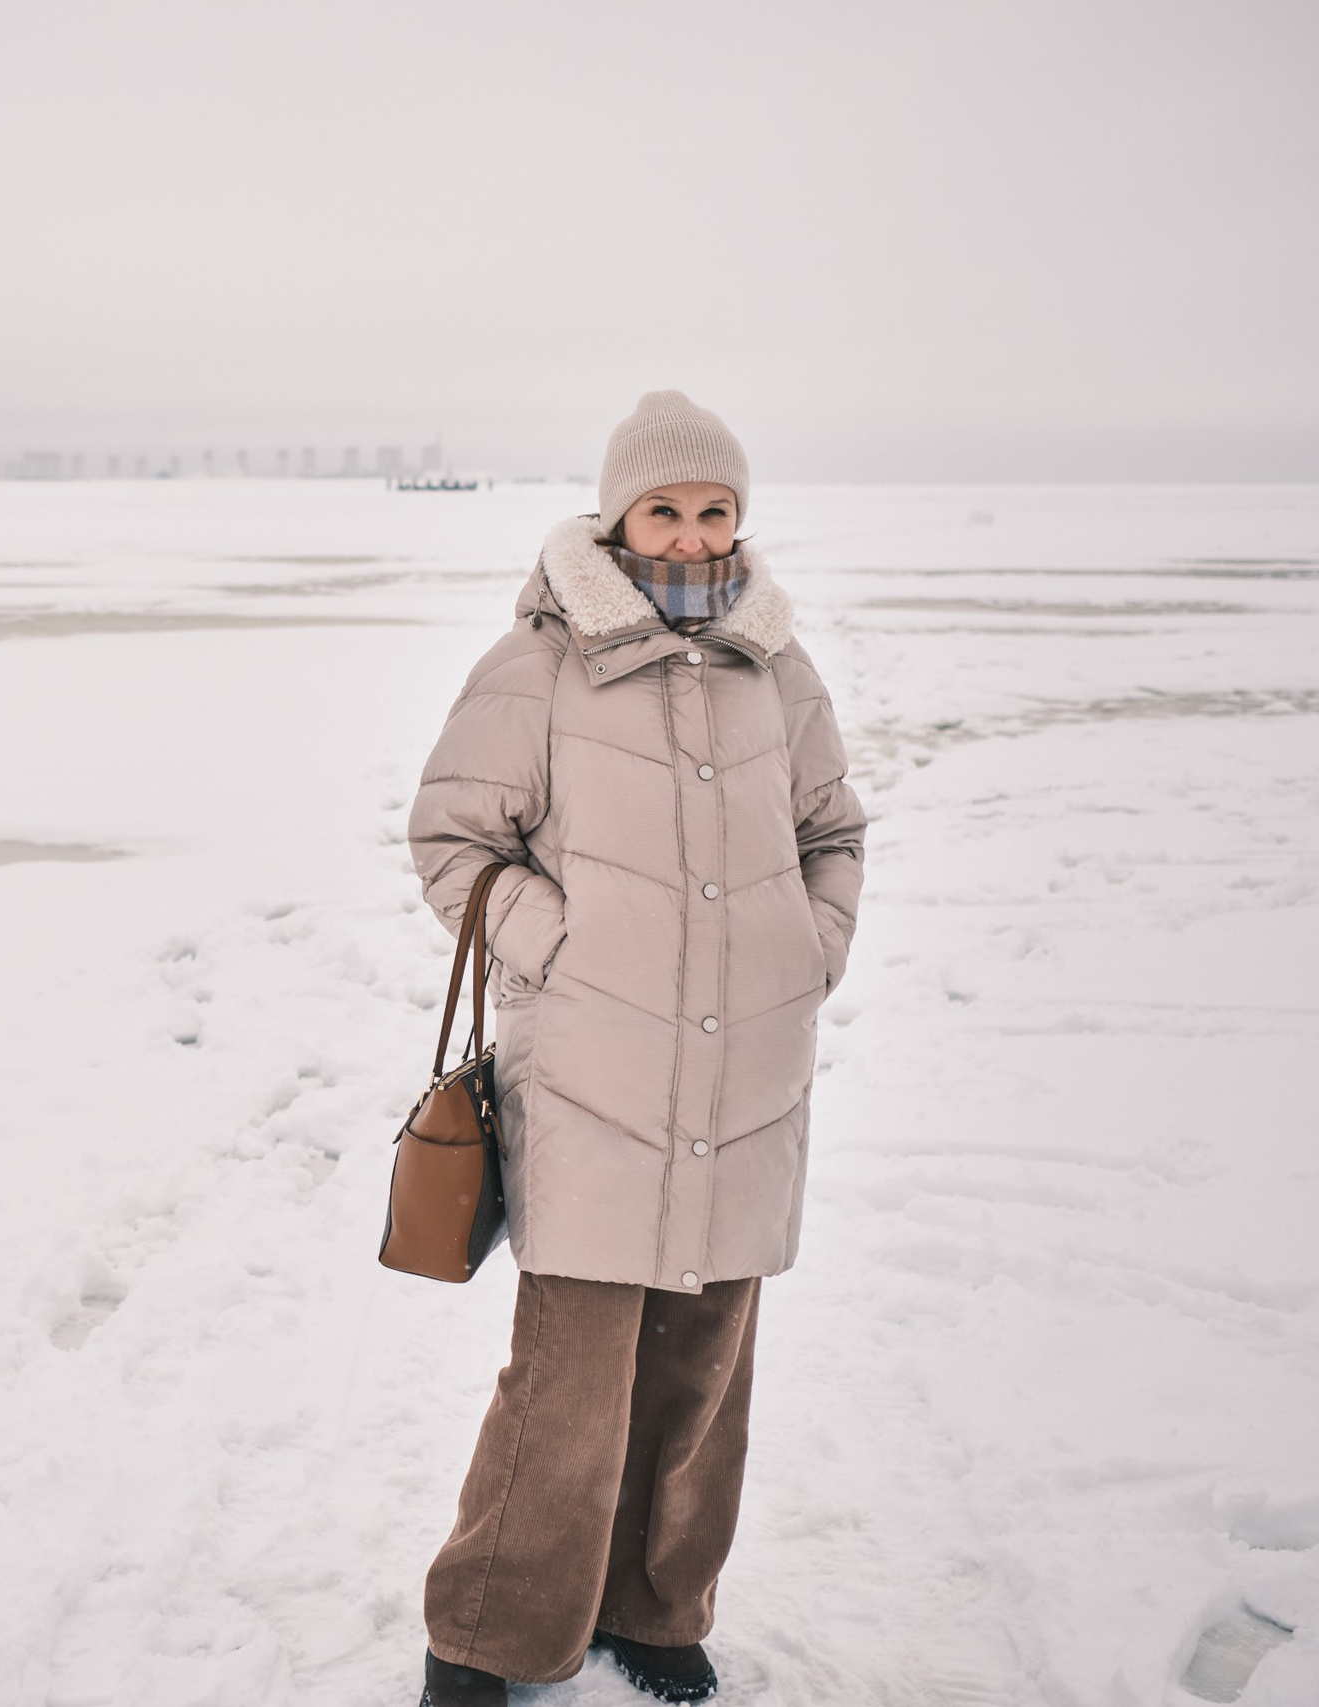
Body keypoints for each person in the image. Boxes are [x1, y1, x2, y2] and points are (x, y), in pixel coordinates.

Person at [405, 391, 866, 1704]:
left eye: (714, 509)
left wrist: (809, 948)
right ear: (616, 519)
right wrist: (565, 944)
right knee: (569, 1380)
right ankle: (488, 1634)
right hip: (594, 1078)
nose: (691, 532)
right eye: (664, 508)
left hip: (748, 1079)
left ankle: (657, 1611)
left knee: (702, 1372)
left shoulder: (780, 667)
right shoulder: (539, 666)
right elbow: (454, 843)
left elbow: (834, 832)